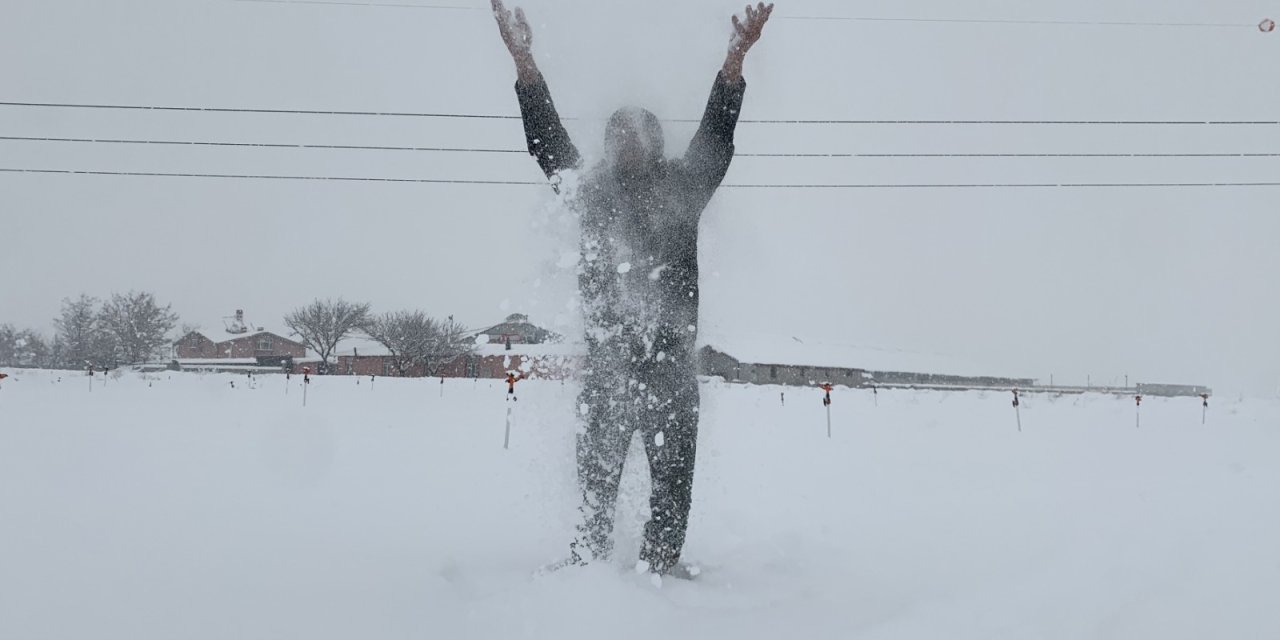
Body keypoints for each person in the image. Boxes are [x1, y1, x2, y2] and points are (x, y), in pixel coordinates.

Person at [491, 0, 773, 575]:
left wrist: (734, 59)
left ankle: (663, 582)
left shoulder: (682, 190)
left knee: (671, 506)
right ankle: (589, 579)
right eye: (617, 132)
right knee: (592, 504)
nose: (627, 140)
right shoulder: (591, 194)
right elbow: (546, 144)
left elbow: (716, 136)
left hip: (670, 371)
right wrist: (525, 64)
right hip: (607, 373)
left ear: (655, 142)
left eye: (638, 132)